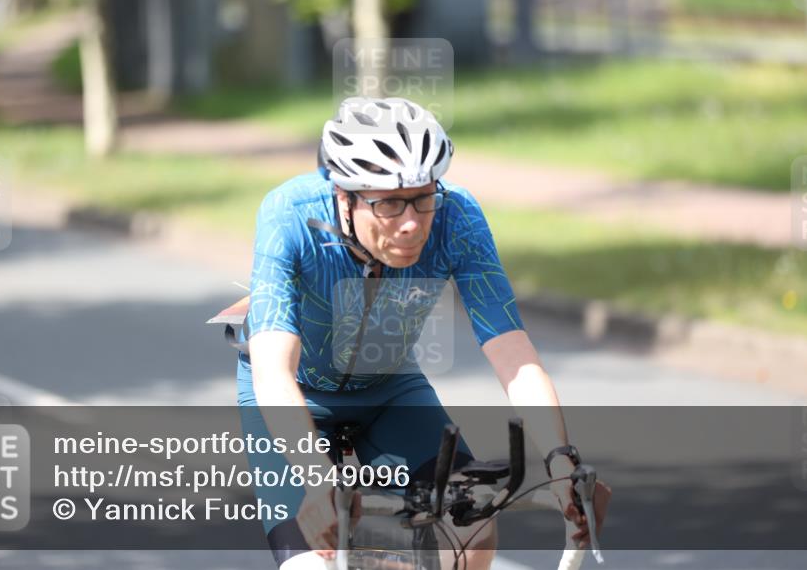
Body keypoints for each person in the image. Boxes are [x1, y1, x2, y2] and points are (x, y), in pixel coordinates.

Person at [238, 96, 608, 569]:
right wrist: (317, 479)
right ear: (344, 198)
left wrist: (561, 462)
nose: (412, 223)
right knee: (314, 562)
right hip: (297, 395)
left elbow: (512, 352)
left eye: (422, 197)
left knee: (471, 533)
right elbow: (274, 371)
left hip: (390, 389)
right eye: (388, 203)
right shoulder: (288, 215)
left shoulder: (457, 217)